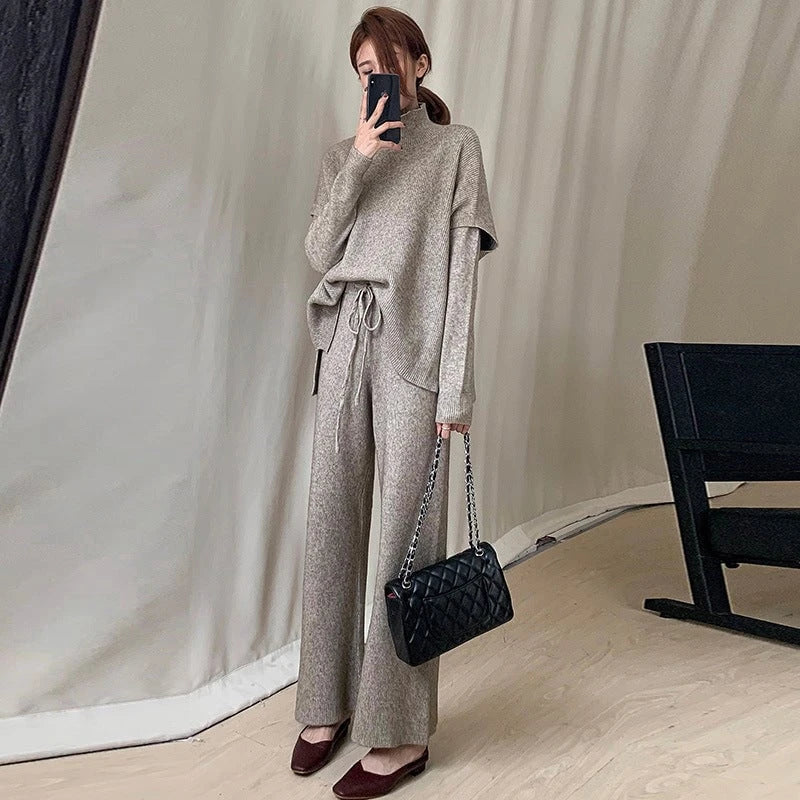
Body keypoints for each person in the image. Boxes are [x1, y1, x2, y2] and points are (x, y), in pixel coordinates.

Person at [291, 7, 499, 798]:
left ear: (419, 63)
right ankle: (326, 703)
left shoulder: (456, 149)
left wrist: (456, 386)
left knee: (405, 546)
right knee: (330, 524)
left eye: (385, 64)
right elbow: (318, 250)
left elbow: (461, 278)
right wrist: (360, 160)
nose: (375, 80)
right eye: (362, 72)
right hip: (345, 339)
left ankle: (401, 732)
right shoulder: (342, 155)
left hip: (414, 353)